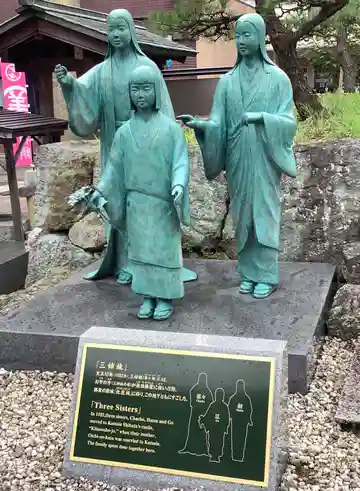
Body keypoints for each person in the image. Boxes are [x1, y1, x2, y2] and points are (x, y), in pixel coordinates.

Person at [55, 9, 196, 286]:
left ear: (131, 31)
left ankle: (146, 263)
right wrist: (69, 85)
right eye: (111, 30)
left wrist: (165, 147)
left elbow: (164, 112)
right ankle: (123, 260)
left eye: (121, 28)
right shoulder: (102, 71)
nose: (116, 34)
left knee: (145, 206)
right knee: (116, 201)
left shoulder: (147, 67)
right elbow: (83, 93)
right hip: (115, 143)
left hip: (145, 149)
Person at [179, 13, 297, 299]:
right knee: (243, 215)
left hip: (264, 156)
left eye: (248, 35)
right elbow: (218, 122)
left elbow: (289, 121)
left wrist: (262, 118)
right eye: (239, 35)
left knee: (265, 213)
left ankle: (266, 274)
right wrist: (203, 126)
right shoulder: (227, 82)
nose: (242, 41)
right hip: (237, 157)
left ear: (260, 37)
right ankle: (248, 273)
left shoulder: (278, 79)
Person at [87, 65, 190, 320]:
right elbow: (113, 168)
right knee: (141, 253)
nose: (141, 94)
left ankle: (165, 296)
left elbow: (181, 161)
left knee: (163, 252)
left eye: (146, 88)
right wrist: (100, 189)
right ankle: (148, 296)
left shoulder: (171, 130)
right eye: (135, 89)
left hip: (163, 203)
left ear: (157, 91)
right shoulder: (123, 133)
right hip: (137, 203)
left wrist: (178, 184)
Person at [179, 373, 214, 456]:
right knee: (192, 431)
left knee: (202, 432)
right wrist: (193, 404)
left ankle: (203, 450)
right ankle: (189, 448)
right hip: (195, 413)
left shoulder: (207, 390)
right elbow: (191, 393)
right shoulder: (196, 388)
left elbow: (210, 403)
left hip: (203, 415)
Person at [199, 388, 230, 463]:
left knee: (219, 442)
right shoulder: (213, 405)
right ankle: (213, 455)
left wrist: (224, 426)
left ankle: (217, 455)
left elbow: (226, 418)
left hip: (220, 429)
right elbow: (208, 415)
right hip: (213, 428)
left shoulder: (224, 406)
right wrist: (203, 418)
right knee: (212, 441)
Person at [228, 379, 253, 462]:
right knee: (236, 439)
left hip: (241, 422)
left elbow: (249, 410)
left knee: (240, 439)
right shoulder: (236, 398)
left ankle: (239, 456)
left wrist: (249, 419)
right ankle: (235, 456)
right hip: (237, 422)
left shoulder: (245, 398)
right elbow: (230, 409)